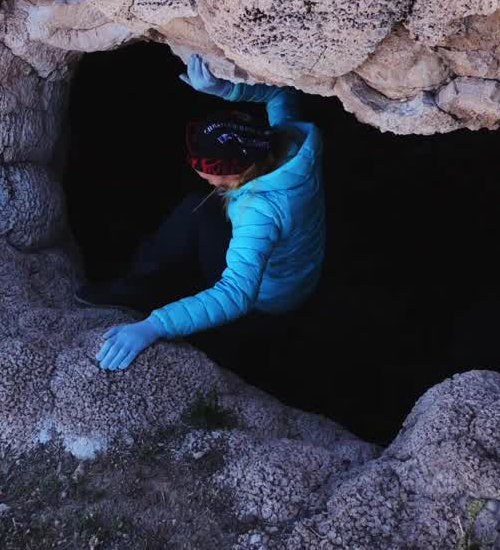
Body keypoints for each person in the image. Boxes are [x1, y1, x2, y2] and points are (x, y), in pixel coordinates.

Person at [76, 54, 325, 372]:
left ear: (237, 173)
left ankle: (136, 292)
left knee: (194, 212)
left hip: (267, 299)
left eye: (209, 175)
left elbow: (237, 294)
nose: (204, 177)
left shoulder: (258, 213)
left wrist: (154, 326)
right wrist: (224, 88)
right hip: (299, 271)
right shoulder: (290, 142)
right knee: (201, 205)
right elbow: (281, 93)